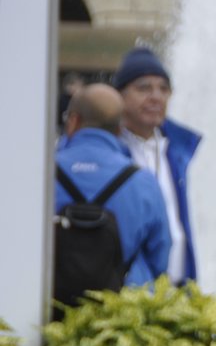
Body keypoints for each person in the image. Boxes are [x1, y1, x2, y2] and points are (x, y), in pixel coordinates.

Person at [55, 84, 172, 289]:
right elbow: (160, 257)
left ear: (73, 120)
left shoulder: (43, 175)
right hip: (120, 312)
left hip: (48, 309)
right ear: (120, 128)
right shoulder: (143, 181)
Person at [114, 46, 201, 283]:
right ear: (119, 96)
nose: (156, 97)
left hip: (177, 291)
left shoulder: (178, 150)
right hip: (129, 295)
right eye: (144, 88)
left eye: (164, 89)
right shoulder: (108, 151)